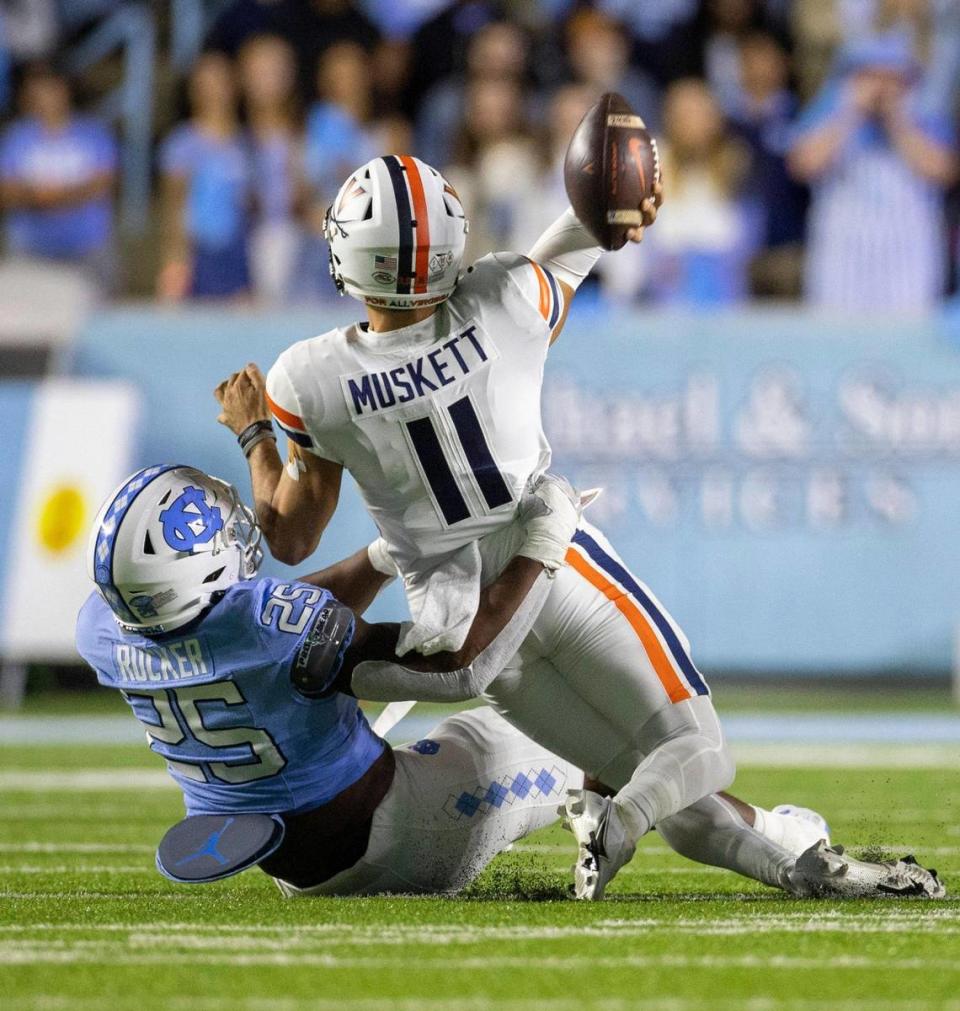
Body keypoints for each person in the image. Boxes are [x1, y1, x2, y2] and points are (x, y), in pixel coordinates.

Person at [215, 154, 944, 902]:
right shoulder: (505, 299)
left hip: (465, 628)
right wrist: (620, 199)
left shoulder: (310, 378)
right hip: (553, 563)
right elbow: (585, 229)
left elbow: (290, 538)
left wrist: (254, 438)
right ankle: (618, 821)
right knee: (695, 748)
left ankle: (796, 860)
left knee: (666, 780)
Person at [75, 463, 584, 895]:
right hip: (411, 830)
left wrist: (382, 557)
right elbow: (459, 667)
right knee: (584, 732)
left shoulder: (100, 632)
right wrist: (543, 543)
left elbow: (252, 633)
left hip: (293, 869)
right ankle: (614, 820)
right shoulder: (269, 628)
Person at [788, 33, 958, 311]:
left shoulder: (925, 118)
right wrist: (851, 113)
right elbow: (803, 166)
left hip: (908, 256)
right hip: (842, 255)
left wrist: (896, 121)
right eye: (871, 77)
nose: (880, 88)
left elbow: (941, 172)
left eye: (891, 79)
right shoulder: (828, 114)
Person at [0, 62, 117, 292]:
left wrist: (49, 196)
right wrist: (50, 196)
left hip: (86, 246)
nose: (44, 97)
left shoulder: (93, 134)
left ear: (65, 91)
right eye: (37, 90)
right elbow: (6, 190)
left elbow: (102, 183)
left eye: (51, 89)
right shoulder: (16, 138)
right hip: (31, 246)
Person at [157, 52, 251, 302]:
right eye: (205, 84)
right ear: (193, 91)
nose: (214, 91)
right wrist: (175, 261)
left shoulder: (247, 144)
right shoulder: (182, 144)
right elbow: (174, 207)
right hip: (199, 251)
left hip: (239, 251)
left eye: (221, 81)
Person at [237, 34, 306, 303]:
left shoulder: (305, 132)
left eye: (277, 72)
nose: (269, 81)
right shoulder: (232, 139)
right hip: (240, 247)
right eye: (260, 72)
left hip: (294, 242)